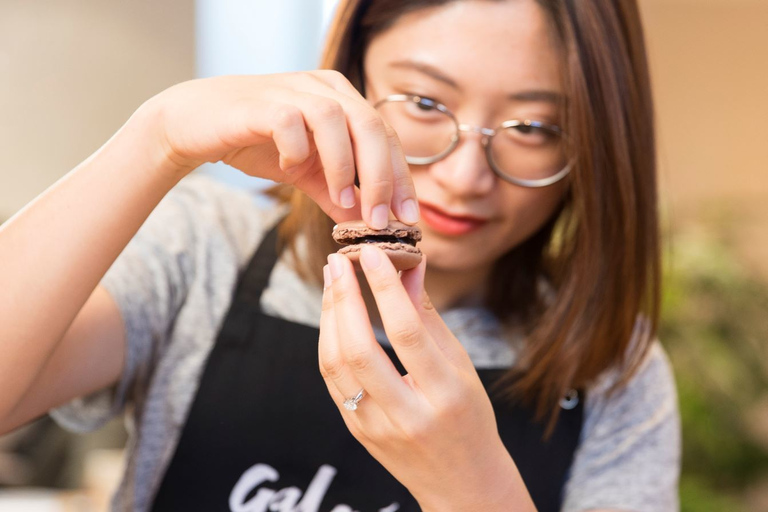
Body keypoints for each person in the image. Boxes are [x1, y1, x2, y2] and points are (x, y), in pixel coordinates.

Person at [0, 0, 680, 510]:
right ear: (349, 77)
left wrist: (474, 481)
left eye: (533, 127)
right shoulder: (205, 247)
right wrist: (157, 137)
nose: (468, 175)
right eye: (422, 100)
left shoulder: (617, 369)